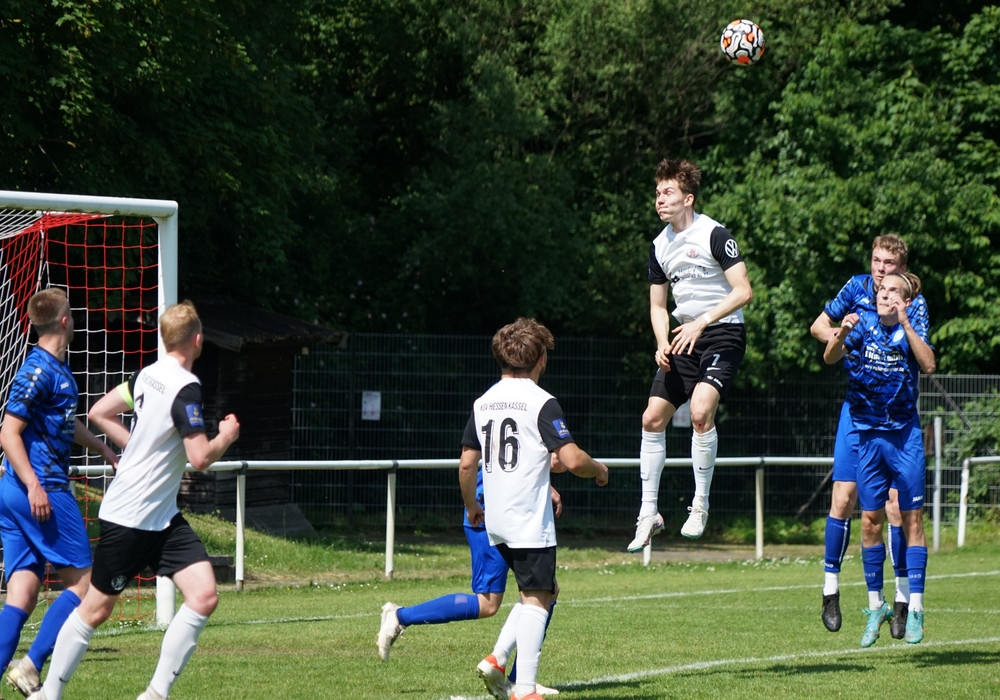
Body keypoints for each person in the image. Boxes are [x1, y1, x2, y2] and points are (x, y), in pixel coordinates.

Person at [28, 300, 240, 700]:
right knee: (96, 609)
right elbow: (199, 458)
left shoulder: (147, 375)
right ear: (197, 340)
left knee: (204, 595)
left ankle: (155, 695)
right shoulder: (186, 387)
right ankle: (47, 694)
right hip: (131, 516)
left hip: (161, 517)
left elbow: (99, 412)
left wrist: (137, 450)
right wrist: (226, 436)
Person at [458, 317, 608, 700]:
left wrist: (472, 505)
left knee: (545, 590)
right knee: (538, 598)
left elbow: (467, 464)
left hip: (497, 520)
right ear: (541, 358)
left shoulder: (483, 402)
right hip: (528, 518)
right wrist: (599, 469)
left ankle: (497, 659)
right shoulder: (542, 401)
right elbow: (572, 460)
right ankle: (525, 689)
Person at [627, 158, 753, 551]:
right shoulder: (659, 246)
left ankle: (699, 505)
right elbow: (657, 306)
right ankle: (649, 513)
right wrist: (661, 342)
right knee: (651, 418)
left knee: (700, 412)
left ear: (688, 198)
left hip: (722, 333)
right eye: (657, 193)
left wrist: (702, 322)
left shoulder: (715, 234)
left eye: (668, 192)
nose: (659, 199)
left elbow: (744, 291)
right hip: (683, 337)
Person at [0, 288, 119, 697]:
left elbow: (65, 423)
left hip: (16, 493)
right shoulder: (38, 370)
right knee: (84, 586)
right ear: (65, 321)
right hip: (41, 490)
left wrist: (103, 447)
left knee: (22, 593)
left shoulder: (57, 369)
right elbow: (8, 433)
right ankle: (31, 666)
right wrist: (35, 485)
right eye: (72, 312)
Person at [809, 234, 929, 636]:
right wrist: (845, 338)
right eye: (876, 261)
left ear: (903, 270)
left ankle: (902, 599)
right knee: (843, 498)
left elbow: (923, 356)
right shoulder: (856, 289)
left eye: (889, 264)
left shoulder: (910, 302)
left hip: (896, 418)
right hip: (858, 412)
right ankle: (830, 590)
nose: (880, 270)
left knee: (896, 509)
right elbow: (817, 327)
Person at [377, 467, 562, 697]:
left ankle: (518, 678)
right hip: (490, 514)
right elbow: (470, 462)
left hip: (507, 511)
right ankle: (400, 616)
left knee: (546, 591)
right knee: (490, 603)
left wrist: (544, 484)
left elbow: (516, 459)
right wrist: (595, 470)